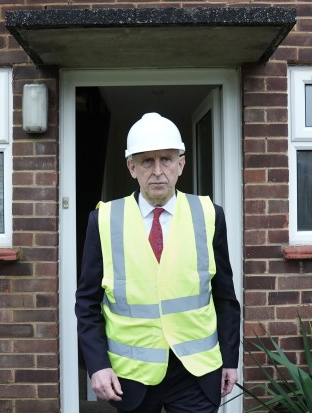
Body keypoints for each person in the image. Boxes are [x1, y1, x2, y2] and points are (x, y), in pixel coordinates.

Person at [75, 112, 241, 413]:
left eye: (166, 159)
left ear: (181, 164)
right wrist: (97, 366)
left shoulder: (209, 215)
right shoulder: (103, 220)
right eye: (146, 161)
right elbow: (87, 302)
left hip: (196, 372)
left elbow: (225, 297)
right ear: (131, 167)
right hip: (132, 376)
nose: (157, 171)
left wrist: (230, 359)